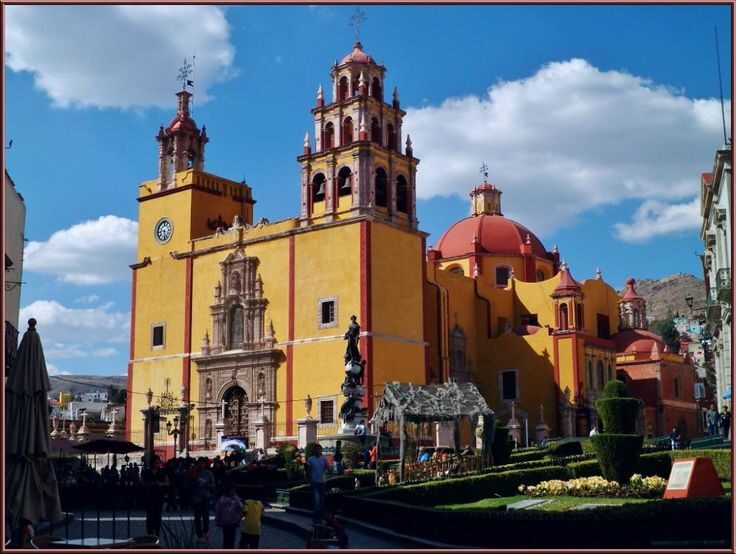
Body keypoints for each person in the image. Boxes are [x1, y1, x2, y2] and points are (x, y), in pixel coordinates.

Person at [141, 456, 169, 537]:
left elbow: (168, 482)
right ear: (152, 463)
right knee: (150, 516)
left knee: (158, 516)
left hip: (159, 497)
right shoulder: (146, 472)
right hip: (149, 497)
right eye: (156, 462)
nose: (158, 464)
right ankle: (150, 534)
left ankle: (157, 533)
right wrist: (151, 484)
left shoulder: (162, 472)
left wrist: (161, 484)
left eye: (158, 462)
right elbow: (142, 483)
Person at [190, 457, 215, 543]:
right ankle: (199, 534)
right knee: (197, 517)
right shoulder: (194, 472)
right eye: (199, 463)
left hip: (205, 496)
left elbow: (213, 486)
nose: (201, 465)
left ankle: (205, 531)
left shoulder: (209, 473)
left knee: (205, 516)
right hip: (196, 497)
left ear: (205, 464)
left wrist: (206, 484)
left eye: (202, 463)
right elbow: (189, 485)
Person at [305, 443, 330, 524]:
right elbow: (308, 471)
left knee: (321, 502)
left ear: (321, 450)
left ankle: (319, 518)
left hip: (322, 482)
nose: (318, 451)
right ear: (314, 450)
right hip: (315, 483)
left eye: (319, 449)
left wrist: (328, 467)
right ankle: (316, 519)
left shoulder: (324, 459)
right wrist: (310, 480)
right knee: (317, 501)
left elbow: (328, 469)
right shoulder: (310, 459)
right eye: (316, 449)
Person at [214, 483, 243, 549]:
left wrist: (238, 518)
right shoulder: (222, 499)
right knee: (226, 537)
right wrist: (217, 520)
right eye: (232, 491)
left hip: (233, 521)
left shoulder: (236, 498)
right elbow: (218, 509)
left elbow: (241, 507)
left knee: (232, 538)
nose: (233, 492)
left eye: (234, 491)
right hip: (225, 522)